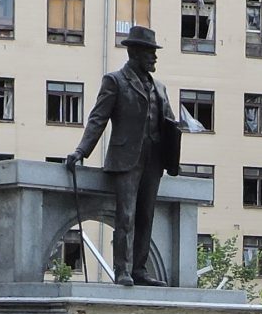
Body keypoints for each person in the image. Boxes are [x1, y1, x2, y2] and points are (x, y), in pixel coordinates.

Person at [64, 25, 185, 285]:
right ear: (135, 52)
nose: (155, 57)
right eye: (150, 52)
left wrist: (173, 157)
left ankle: (140, 269)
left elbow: (169, 123)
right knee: (125, 216)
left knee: (145, 216)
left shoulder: (160, 88)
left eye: (155, 52)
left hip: (154, 160)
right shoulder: (115, 81)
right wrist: (81, 150)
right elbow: (98, 118)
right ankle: (123, 270)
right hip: (127, 159)